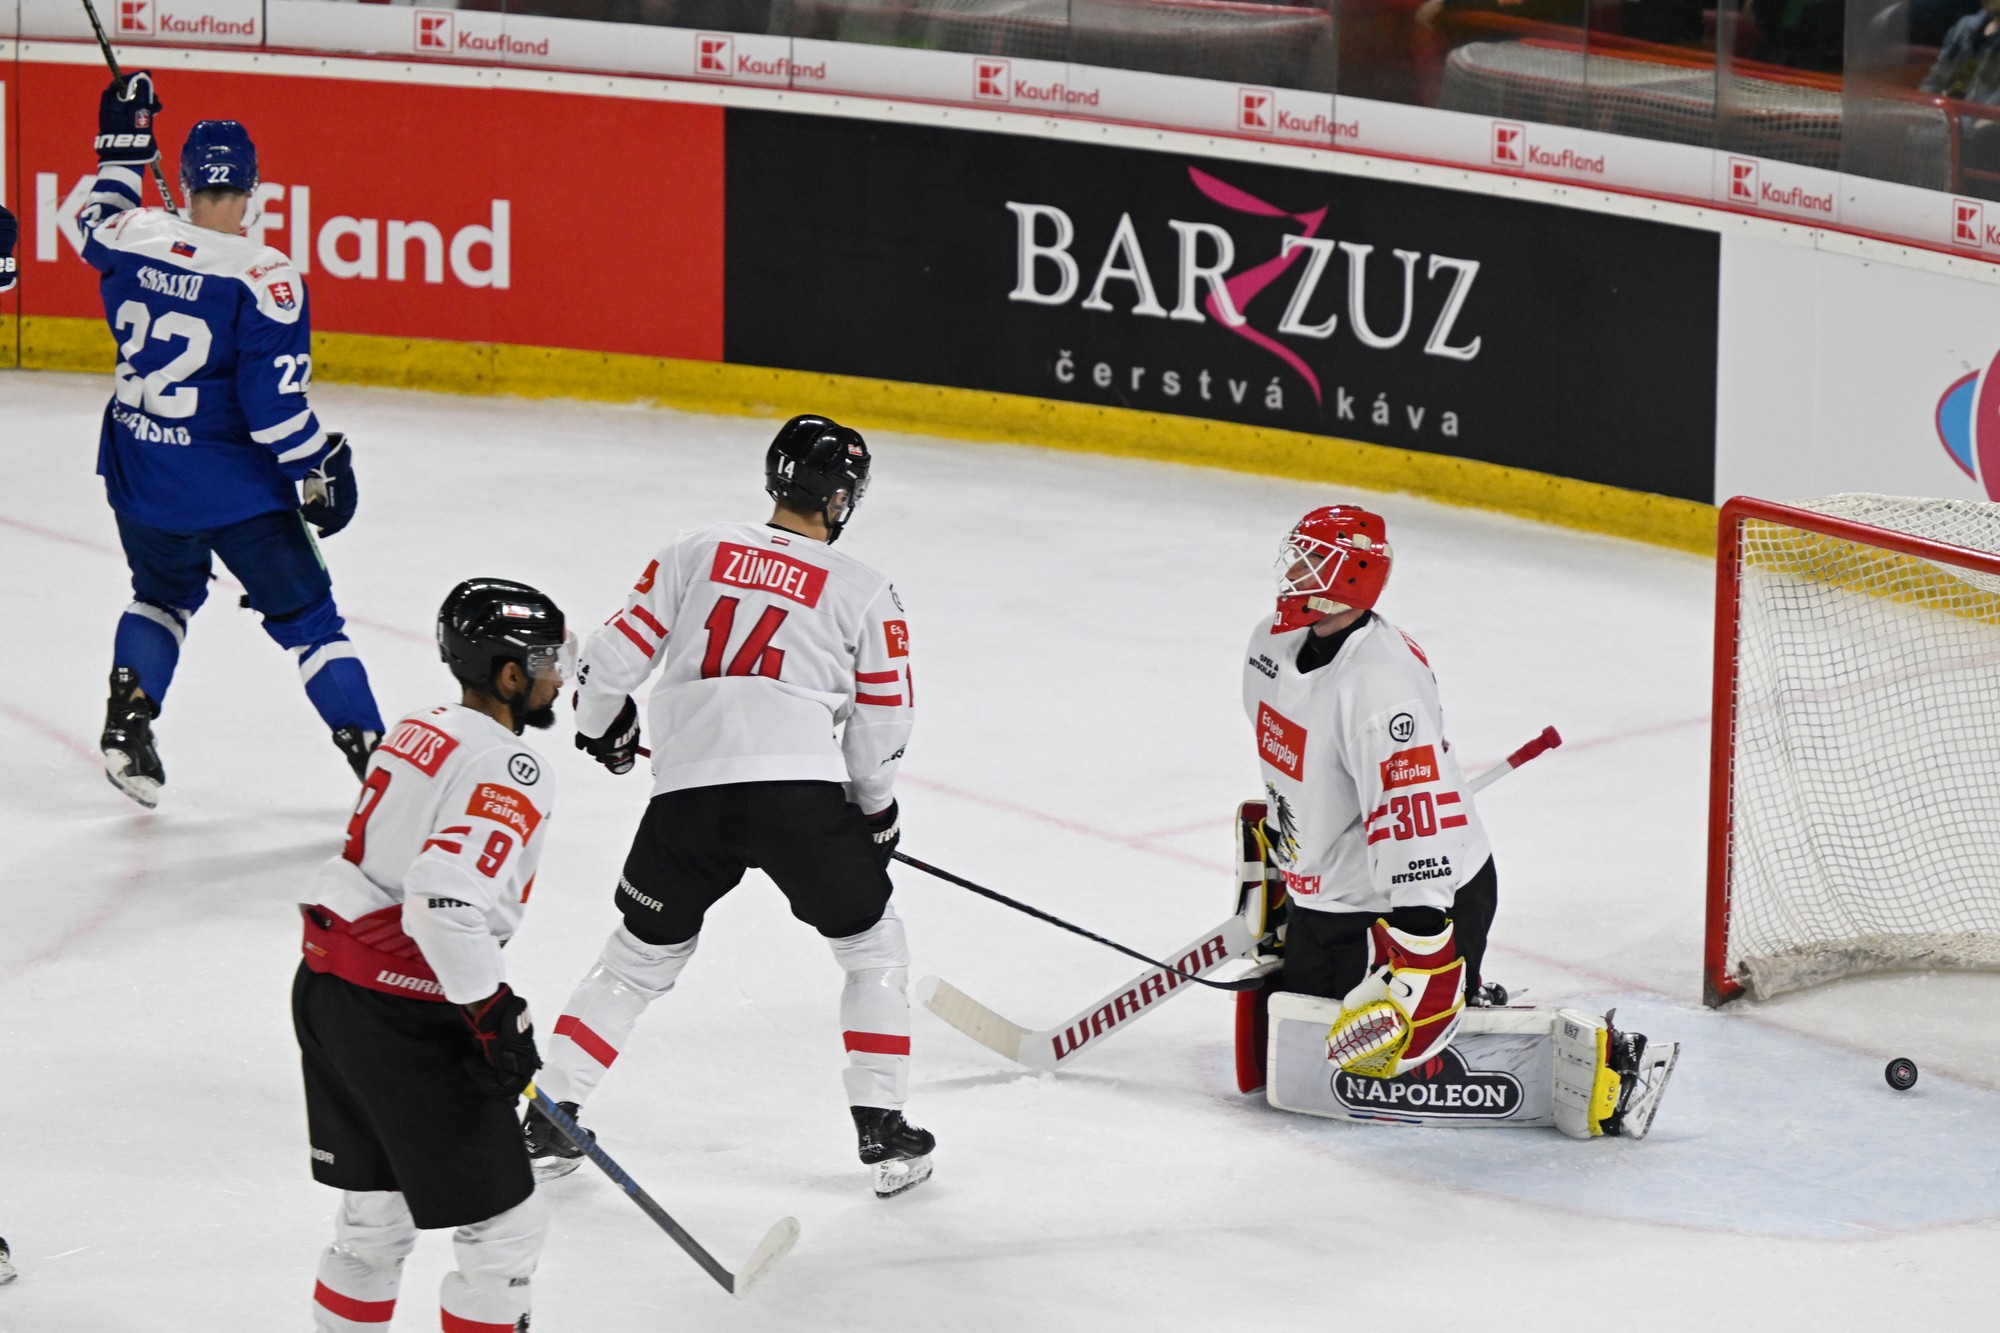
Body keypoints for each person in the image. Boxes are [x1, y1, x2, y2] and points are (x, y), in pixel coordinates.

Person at [528, 414, 935, 1198]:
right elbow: (883, 717)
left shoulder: (695, 549)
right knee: (871, 945)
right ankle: (883, 1130)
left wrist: (604, 728)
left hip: (688, 798)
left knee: (637, 959)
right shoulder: (863, 587)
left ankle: (551, 1112)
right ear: (843, 497)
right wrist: (874, 810)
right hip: (799, 797)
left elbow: (607, 661)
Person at [77, 72, 382, 807]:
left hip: (141, 469)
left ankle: (128, 725)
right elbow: (272, 412)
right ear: (252, 191)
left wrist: (120, 141)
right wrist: (319, 466)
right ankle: (374, 759)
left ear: (181, 181)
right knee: (312, 623)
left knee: (160, 597)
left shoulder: (132, 234)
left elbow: (97, 213)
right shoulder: (264, 274)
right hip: (234, 488)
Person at [293, 579, 570, 1333]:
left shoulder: (421, 726)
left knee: (373, 1224)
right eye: (546, 660)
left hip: (331, 987)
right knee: (506, 1232)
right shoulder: (511, 764)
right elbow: (442, 895)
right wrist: (490, 1011)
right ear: (509, 674)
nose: (559, 675)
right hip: (403, 1011)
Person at [1239, 504, 1499, 1079]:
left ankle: (1468, 998)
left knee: (1366, 1069)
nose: (1295, 569)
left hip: (1397, 904)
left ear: (1350, 578)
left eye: (1313, 559)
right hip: (1326, 894)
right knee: (1308, 1060)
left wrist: (1421, 947)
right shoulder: (1270, 645)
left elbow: (1412, 817)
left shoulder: (1380, 688)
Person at [1921, 0, 2000, 103]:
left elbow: (1991, 111)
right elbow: (1935, 79)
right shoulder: (1966, 27)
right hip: (1944, 112)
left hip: (1976, 116)